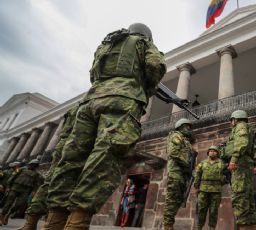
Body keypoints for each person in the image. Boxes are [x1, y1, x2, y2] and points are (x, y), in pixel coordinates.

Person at [43, 23, 166, 230]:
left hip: (90, 102)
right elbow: (155, 66)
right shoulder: (143, 43)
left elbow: (93, 73)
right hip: (122, 99)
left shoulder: (107, 43)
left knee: (71, 159)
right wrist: (147, 86)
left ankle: (53, 222)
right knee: (106, 156)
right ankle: (76, 224)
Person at [17, 106, 78, 230]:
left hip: (63, 145)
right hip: (75, 146)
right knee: (64, 183)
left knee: (49, 183)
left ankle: (31, 223)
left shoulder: (76, 107)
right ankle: (55, 225)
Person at [222, 110, 256, 230]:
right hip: (245, 163)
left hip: (240, 163)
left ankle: (244, 227)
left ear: (235, 119)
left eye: (232, 120)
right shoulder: (247, 128)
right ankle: (249, 226)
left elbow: (242, 143)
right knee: (247, 197)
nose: (231, 123)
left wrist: (234, 159)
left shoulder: (240, 126)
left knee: (240, 196)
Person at [163, 118, 196, 230]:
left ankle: (169, 224)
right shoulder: (176, 136)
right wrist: (187, 163)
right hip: (176, 173)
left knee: (178, 200)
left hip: (183, 174)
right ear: (181, 126)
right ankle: (167, 226)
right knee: (172, 199)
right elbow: (174, 152)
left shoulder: (185, 140)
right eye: (187, 127)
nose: (189, 129)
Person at [0, 159, 42, 226]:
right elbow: (13, 176)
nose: (33, 166)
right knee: (8, 203)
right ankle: (1, 216)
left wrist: (34, 192)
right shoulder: (21, 169)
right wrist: (8, 186)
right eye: (32, 164)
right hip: (15, 188)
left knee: (19, 204)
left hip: (25, 191)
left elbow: (36, 184)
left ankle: (8, 215)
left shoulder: (36, 174)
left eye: (35, 165)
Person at [193, 145, 226, 230]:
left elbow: (226, 175)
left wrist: (222, 181)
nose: (212, 152)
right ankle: (199, 227)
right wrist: (196, 187)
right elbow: (198, 176)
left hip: (216, 191)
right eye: (210, 151)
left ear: (217, 153)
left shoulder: (221, 163)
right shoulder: (202, 163)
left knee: (213, 212)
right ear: (208, 153)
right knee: (201, 211)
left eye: (214, 151)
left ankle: (212, 228)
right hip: (203, 190)